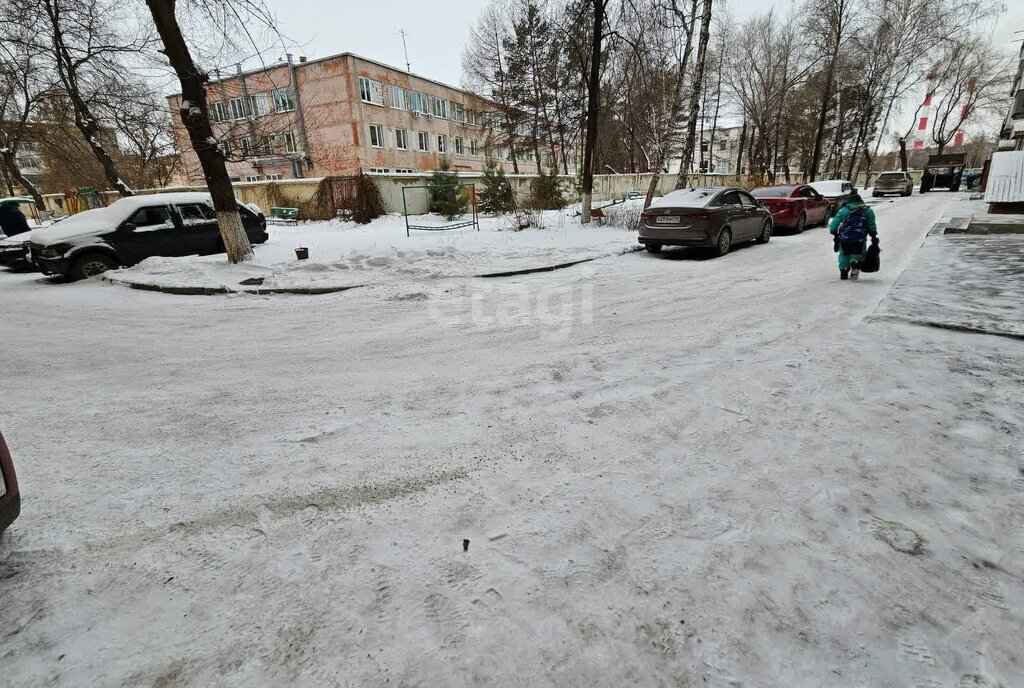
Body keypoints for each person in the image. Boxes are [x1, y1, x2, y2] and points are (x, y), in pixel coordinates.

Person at [829, 193, 878, 280]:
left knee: (844, 254)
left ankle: (844, 271)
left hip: (845, 238)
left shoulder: (843, 210)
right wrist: (873, 235)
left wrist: (834, 232)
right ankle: (856, 266)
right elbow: (871, 225)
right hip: (860, 238)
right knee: (858, 253)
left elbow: (834, 224)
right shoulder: (868, 210)